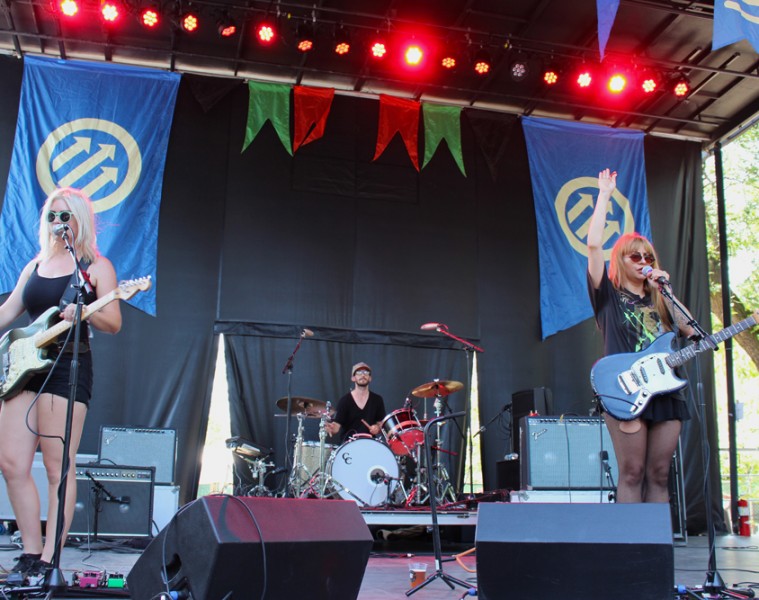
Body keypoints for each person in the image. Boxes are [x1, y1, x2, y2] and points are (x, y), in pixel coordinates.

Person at [0, 187, 121, 578]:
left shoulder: (94, 266)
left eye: (64, 216)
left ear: (79, 220)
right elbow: (9, 311)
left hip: (68, 366)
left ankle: (51, 557)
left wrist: (83, 312)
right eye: (51, 215)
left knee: (58, 467)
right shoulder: (35, 264)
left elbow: (113, 322)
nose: (57, 222)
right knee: (11, 462)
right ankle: (30, 551)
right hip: (25, 369)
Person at [587, 168, 695, 504]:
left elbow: (691, 330)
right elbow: (593, 245)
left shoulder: (661, 297)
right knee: (632, 472)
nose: (643, 261)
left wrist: (664, 289)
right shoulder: (607, 296)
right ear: (621, 260)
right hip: (627, 389)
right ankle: (629, 537)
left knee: (659, 474)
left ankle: (657, 538)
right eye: (635, 256)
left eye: (648, 257)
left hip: (667, 390)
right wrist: (605, 194)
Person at [325, 362, 386, 443]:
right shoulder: (345, 401)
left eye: (366, 372)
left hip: (370, 443)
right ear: (353, 378)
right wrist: (331, 428)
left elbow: (381, 424)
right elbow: (336, 426)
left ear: (370, 378)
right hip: (349, 445)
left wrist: (377, 428)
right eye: (359, 372)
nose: (363, 375)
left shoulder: (377, 400)